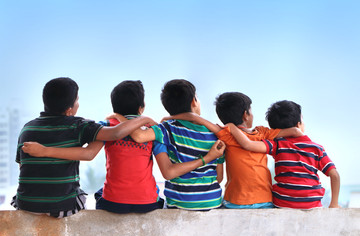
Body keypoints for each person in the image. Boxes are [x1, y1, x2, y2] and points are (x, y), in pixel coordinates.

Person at [22, 80, 226, 213]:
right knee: (155, 194)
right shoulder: (153, 130)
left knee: (100, 194)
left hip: (112, 203)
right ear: (141, 107)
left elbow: (97, 148)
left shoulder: (109, 127)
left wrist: (118, 117)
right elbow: (218, 177)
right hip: (150, 203)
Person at [13, 77, 157, 218]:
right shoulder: (78, 125)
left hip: (26, 204)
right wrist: (144, 119)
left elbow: (22, 165)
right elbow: (114, 134)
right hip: (62, 207)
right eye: (77, 100)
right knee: (84, 196)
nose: (78, 103)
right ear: (70, 110)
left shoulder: (27, 128)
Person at [162, 92, 303, 209]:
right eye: (251, 110)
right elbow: (295, 131)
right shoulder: (262, 133)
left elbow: (196, 119)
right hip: (264, 200)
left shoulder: (227, 133)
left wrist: (170, 118)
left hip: (234, 202)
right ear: (245, 115)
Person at [113, 79, 226, 211]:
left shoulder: (166, 129)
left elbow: (138, 136)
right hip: (212, 202)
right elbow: (219, 178)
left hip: (179, 204)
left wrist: (119, 117)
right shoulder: (216, 134)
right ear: (194, 101)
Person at [226, 100, 340, 209]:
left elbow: (248, 145)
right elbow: (334, 175)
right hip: (312, 202)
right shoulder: (316, 148)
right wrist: (334, 203)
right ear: (298, 124)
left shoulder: (277, 145)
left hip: (283, 202)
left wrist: (231, 126)